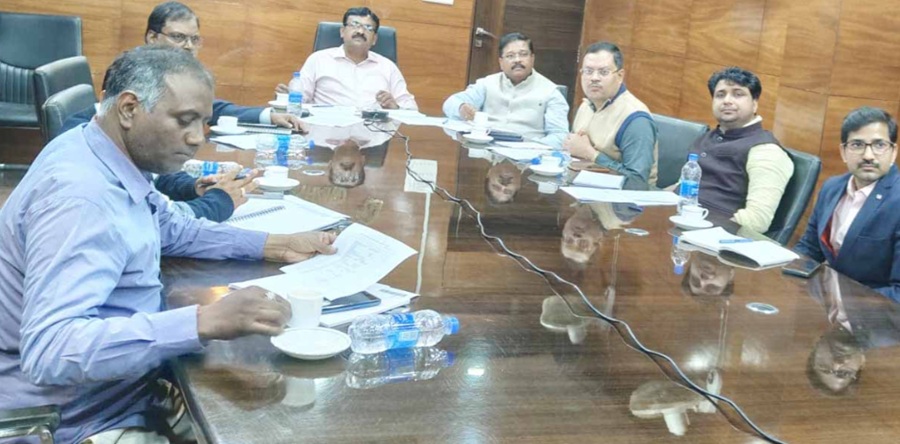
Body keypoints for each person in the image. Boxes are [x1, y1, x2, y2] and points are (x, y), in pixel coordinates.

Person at [0, 46, 337, 444]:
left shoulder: (97, 147)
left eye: (203, 123)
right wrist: (201, 321)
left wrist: (273, 244)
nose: (197, 139)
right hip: (79, 418)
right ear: (129, 109)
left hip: (123, 390)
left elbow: (169, 225)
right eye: (184, 121)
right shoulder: (82, 201)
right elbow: (51, 351)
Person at [794, 106, 900, 301]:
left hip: (876, 313)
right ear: (843, 151)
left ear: (893, 152)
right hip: (826, 305)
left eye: (879, 145)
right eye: (857, 145)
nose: (868, 155)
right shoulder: (832, 188)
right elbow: (809, 249)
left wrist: (841, 299)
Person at [688, 67, 793, 233]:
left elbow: (756, 220)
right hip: (680, 220)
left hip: (714, 236)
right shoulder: (708, 136)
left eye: (738, 94)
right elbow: (684, 185)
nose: (727, 101)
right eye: (720, 95)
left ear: (755, 104)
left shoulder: (765, 150)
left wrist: (703, 231)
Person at [442, 32, 569, 148]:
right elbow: (450, 103)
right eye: (510, 56)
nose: (517, 60)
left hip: (527, 156)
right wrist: (461, 107)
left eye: (523, 54)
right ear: (501, 62)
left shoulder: (550, 91)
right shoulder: (487, 83)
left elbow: (560, 136)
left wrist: (529, 147)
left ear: (532, 58)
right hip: (486, 152)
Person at [279, 7, 417, 110]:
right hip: (326, 135)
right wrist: (286, 97)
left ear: (374, 39)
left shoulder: (388, 67)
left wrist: (395, 107)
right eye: (354, 25)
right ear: (342, 32)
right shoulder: (318, 60)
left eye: (368, 27)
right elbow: (298, 102)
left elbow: (411, 109)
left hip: (373, 136)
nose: (360, 31)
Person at [563, 41, 658, 185]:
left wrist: (591, 154)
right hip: (583, 188)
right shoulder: (586, 105)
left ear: (620, 76)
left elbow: (637, 181)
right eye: (588, 71)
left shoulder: (636, 120)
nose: (594, 78)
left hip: (622, 197)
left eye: (603, 72)